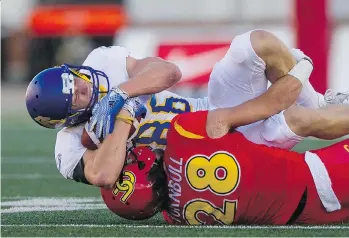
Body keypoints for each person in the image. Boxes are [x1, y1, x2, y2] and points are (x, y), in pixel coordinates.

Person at [25, 29, 348, 188]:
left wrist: (122, 93)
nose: (84, 85)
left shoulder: (100, 62)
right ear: (68, 120)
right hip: (203, 158)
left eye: (75, 79)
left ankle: (315, 98)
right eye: (77, 97)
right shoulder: (69, 146)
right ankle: (312, 104)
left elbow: (169, 72)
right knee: (297, 119)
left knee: (254, 43)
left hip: (213, 110)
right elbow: (106, 174)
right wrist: (122, 120)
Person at [101, 107, 349, 225]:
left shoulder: (177, 220)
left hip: (311, 217)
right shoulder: (182, 135)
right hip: (321, 174)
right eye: (130, 161)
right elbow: (273, 101)